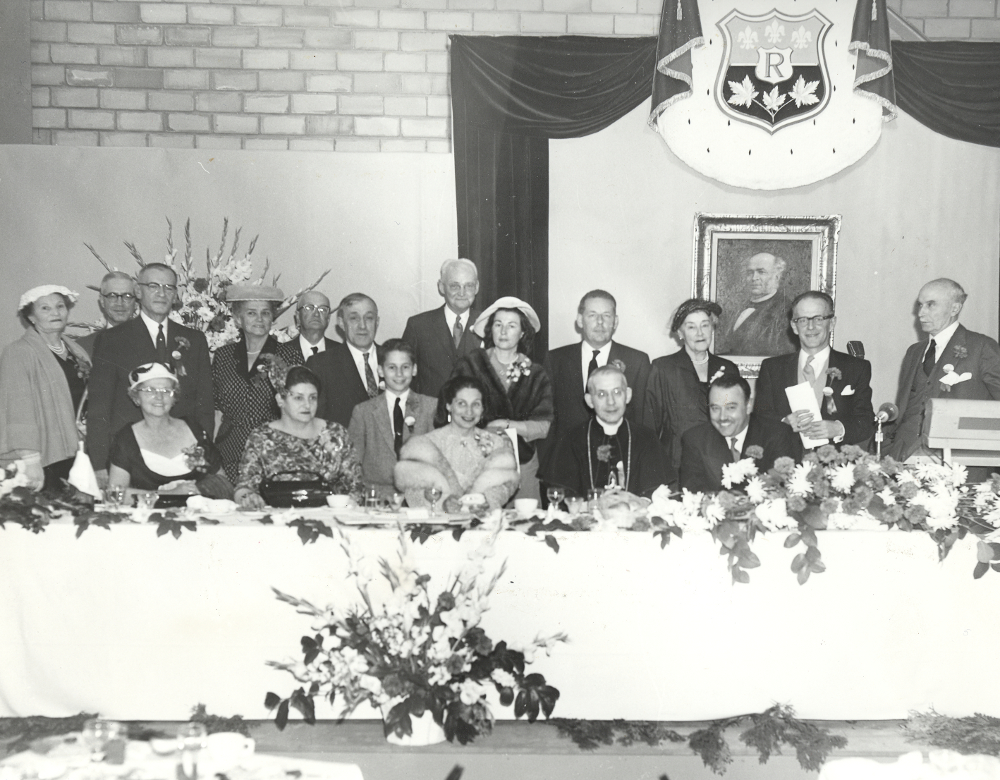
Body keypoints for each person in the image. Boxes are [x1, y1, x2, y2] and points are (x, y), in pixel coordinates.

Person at [87, 263, 213, 483]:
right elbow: (99, 407)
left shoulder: (194, 339)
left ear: (176, 294)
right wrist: (98, 464)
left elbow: (204, 405)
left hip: (184, 455)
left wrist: (203, 452)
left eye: (169, 287)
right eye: (153, 286)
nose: (162, 293)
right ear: (138, 291)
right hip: (129, 458)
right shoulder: (111, 340)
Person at [886, 278, 1000, 469]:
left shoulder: (982, 347)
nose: (921, 313)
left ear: (954, 309)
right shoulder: (914, 352)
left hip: (958, 464)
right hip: (904, 459)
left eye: (931, 305)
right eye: (920, 305)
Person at [452, 296, 554, 502]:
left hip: (523, 465)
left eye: (511, 325)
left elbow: (543, 427)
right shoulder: (471, 365)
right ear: (491, 329)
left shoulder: (535, 373)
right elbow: (453, 413)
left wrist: (507, 425)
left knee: (527, 526)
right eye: (498, 324)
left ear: (522, 332)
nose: (504, 331)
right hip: (477, 462)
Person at [755, 291, 875, 456]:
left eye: (818, 319)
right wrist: (784, 422)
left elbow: (866, 420)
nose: (810, 327)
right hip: (783, 466)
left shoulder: (856, 368)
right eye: (802, 320)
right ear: (794, 326)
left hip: (835, 467)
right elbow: (760, 417)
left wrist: (839, 428)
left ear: (832, 323)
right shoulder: (772, 368)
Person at [541, 289, 650, 468]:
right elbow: (548, 417)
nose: (600, 322)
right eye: (592, 315)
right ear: (579, 320)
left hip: (619, 459)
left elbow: (642, 418)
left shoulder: (637, 361)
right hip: (567, 460)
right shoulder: (555, 359)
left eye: (606, 315)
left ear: (615, 322)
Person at [234, 365, 364, 510]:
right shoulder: (262, 437)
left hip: (330, 518)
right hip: (276, 521)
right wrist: (248, 498)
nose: (307, 405)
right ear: (280, 400)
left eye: (313, 398)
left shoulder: (336, 434)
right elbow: (243, 487)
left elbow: (356, 487)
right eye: (298, 398)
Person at [0, 285, 91, 491]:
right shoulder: (18, 352)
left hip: (78, 451)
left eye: (60, 306)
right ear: (31, 317)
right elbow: (17, 411)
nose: (56, 312)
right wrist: (31, 461)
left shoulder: (76, 351)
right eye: (45, 308)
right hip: (44, 456)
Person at [545, 364, 671, 499]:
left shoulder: (647, 438)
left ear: (627, 395)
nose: (610, 402)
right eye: (601, 394)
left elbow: (655, 495)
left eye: (617, 392)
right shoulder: (570, 440)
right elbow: (562, 497)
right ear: (590, 401)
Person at [644, 298, 740, 474]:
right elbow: (650, 427)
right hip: (676, 466)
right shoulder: (663, 368)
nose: (699, 333)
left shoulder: (728, 369)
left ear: (712, 328)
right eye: (691, 327)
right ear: (680, 333)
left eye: (705, 325)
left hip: (720, 466)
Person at [395, 375, 518, 511]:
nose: (469, 411)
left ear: (483, 408)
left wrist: (486, 501)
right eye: (461, 403)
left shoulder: (496, 443)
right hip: (438, 524)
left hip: (482, 522)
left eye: (476, 404)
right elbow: (413, 492)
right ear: (448, 405)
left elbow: (505, 486)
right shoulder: (425, 445)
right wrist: (443, 504)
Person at [107, 362, 230, 498]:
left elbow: (223, 483)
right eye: (149, 390)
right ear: (136, 398)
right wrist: (168, 494)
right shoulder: (126, 439)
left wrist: (201, 490)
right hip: (149, 517)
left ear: (174, 397)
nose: (159, 397)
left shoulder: (194, 430)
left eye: (166, 391)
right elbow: (115, 493)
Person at [212, 284, 285, 483]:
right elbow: (216, 410)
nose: (259, 319)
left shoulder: (288, 355)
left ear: (272, 318)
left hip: (271, 453)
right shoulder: (223, 356)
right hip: (228, 450)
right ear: (238, 319)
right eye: (251, 313)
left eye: (266, 313)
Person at [347, 339, 436, 497]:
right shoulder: (363, 412)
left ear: (414, 370)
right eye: (392, 368)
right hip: (376, 498)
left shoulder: (430, 407)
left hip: (419, 497)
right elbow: (354, 464)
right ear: (380, 371)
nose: (399, 374)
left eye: (405, 367)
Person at [680, 375, 797, 493]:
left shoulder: (776, 434)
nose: (722, 417)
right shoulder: (695, 439)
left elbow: (781, 486)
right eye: (715, 408)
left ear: (749, 405)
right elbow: (692, 493)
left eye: (730, 408)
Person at [402, 258, 482, 398]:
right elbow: (404, 376)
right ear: (441, 287)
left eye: (468, 286)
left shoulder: (489, 323)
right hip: (429, 416)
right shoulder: (418, 326)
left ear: (476, 287)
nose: (462, 293)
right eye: (455, 286)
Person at [307, 293, 380, 427]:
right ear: (341, 323)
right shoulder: (321, 365)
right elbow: (313, 422)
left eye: (369, 318)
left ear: (377, 322)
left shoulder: (394, 359)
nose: (362, 326)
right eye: (354, 318)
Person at [716, 252, 795, 356]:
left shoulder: (786, 311)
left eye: (761, 272)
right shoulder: (736, 308)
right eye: (750, 273)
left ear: (776, 277)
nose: (754, 278)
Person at [76, 271, 138, 357]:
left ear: (135, 302)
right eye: (112, 296)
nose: (119, 303)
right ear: (102, 301)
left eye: (127, 296)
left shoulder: (152, 343)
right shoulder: (84, 347)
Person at [277, 290, 337, 366]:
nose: (316, 314)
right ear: (298, 317)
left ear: (328, 318)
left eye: (322, 309)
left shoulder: (342, 354)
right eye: (309, 308)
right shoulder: (280, 354)